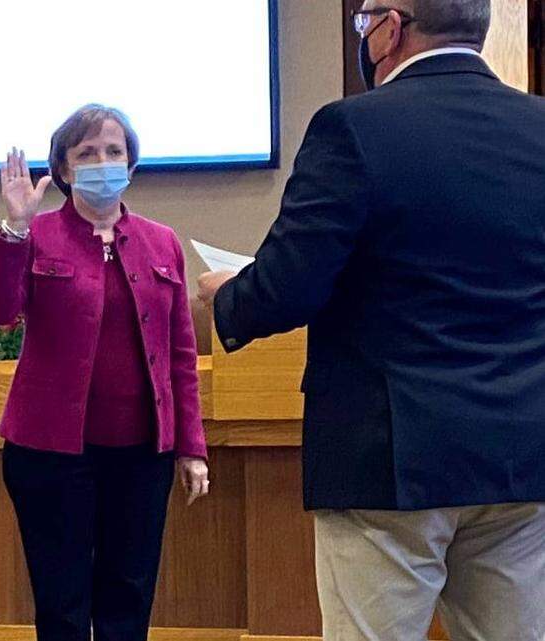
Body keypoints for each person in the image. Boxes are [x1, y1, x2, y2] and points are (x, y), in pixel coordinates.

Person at [197, 1, 545, 639]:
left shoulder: (352, 128)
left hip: (389, 455)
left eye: (365, 21)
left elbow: (290, 285)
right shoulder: (539, 128)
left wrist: (227, 295)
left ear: (392, 26)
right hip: (522, 453)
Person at [0, 104, 209, 641]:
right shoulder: (39, 234)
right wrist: (15, 228)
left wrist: (191, 446)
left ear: (131, 162)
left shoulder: (161, 241)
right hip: (52, 454)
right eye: (86, 153)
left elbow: (180, 355)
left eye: (113, 151)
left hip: (141, 455)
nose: (102, 162)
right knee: (63, 604)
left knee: (129, 599)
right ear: (63, 169)